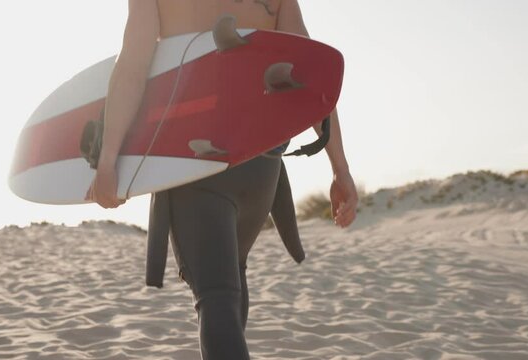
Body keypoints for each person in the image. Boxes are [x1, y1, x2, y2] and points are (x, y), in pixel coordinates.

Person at [86, 1, 358, 359]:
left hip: (197, 162)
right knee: (230, 284)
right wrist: (340, 168)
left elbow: (133, 67)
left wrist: (107, 161)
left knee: (216, 298)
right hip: (262, 168)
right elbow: (309, 75)